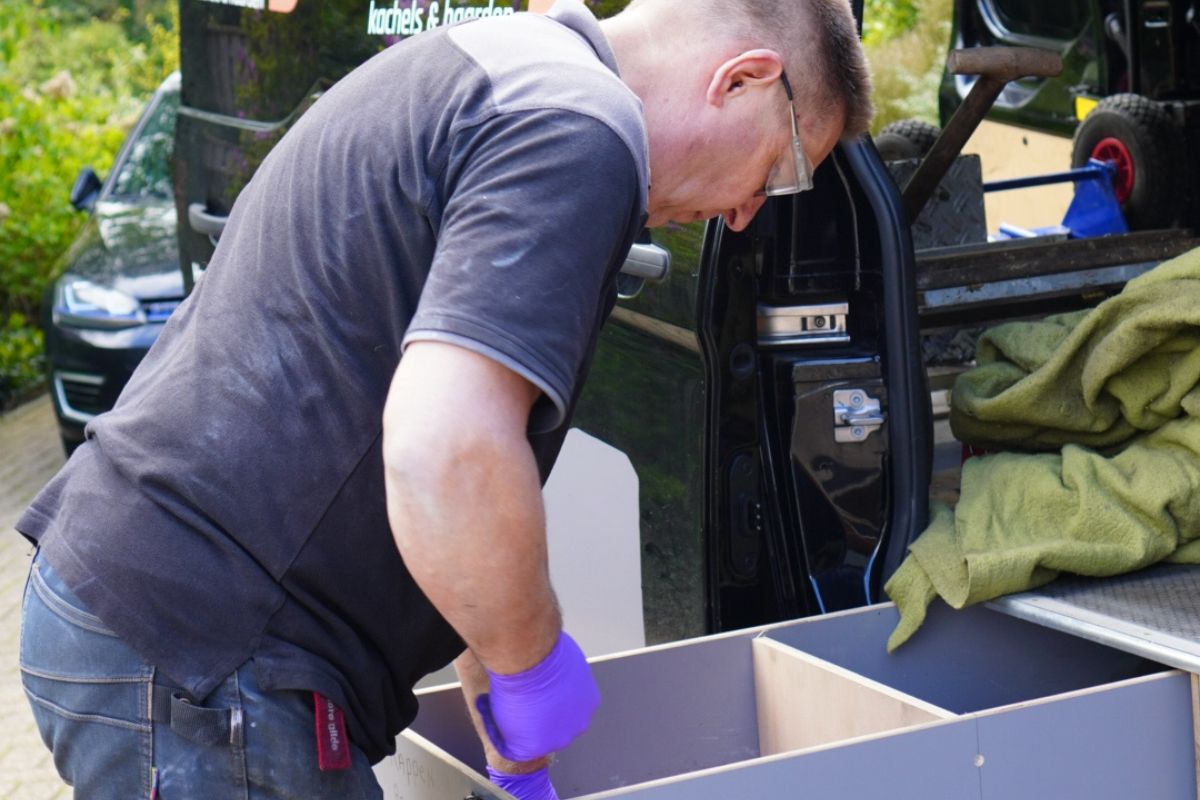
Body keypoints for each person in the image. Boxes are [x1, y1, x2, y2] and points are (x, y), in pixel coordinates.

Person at [16, 0, 872, 797]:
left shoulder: (504, 67)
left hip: (146, 619)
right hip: (213, 657)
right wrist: (533, 667)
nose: (748, 213)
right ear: (743, 79)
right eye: (783, 166)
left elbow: (447, 481)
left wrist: (499, 701)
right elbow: (445, 451)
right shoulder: (579, 129)